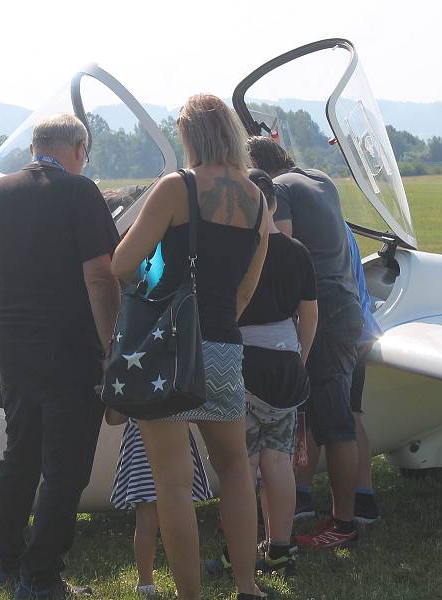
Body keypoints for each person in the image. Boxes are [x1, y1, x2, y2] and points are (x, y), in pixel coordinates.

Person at [111, 94, 268, 600]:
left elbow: (122, 264)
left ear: (190, 138)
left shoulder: (176, 187)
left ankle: (189, 595)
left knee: (173, 486)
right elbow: (246, 287)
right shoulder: (258, 199)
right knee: (236, 470)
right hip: (224, 344)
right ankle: (247, 585)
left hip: (167, 351)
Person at [0, 114, 120, 599]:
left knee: (21, 451)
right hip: (70, 348)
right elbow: (100, 277)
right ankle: (41, 575)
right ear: (78, 148)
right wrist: (111, 346)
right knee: (66, 466)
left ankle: (5, 556)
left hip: (14, 346)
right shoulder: (81, 193)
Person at [247, 137, 363, 549]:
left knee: (334, 423)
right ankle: (300, 504)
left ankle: (344, 523)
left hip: (323, 315)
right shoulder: (319, 178)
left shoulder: (280, 191)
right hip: (346, 306)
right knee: (320, 414)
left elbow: (277, 244)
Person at [206, 169, 317, 577]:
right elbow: (310, 313)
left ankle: (240, 552)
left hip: (243, 364)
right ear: (273, 202)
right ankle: (280, 548)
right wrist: (300, 357)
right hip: (287, 365)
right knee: (279, 462)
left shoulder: (235, 250)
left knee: (242, 465)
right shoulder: (298, 252)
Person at [295, 224, 383, 524]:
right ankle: (364, 497)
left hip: (336, 331)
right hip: (359, 328)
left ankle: (302, 496)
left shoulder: (313, 227)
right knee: (349, 414)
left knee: (315, 412)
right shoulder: (336, 223)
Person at [111, 418, 212, 597]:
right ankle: (185, 583)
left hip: (140, 445)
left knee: (145, 519)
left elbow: (114, 415)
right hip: (173, 439)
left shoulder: (132, 390)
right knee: (178, 511)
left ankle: (145, 582)